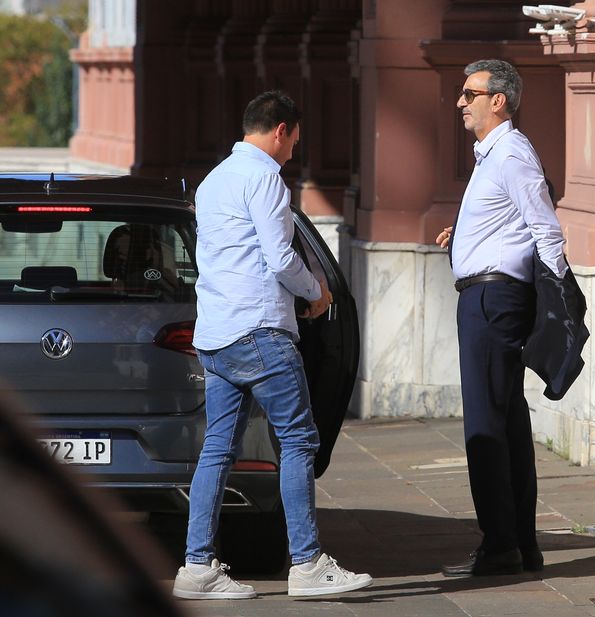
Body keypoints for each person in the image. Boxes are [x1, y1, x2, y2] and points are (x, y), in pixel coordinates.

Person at [172, 91, 372, 600]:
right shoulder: (264, 178)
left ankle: (196, 567)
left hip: (216, 334)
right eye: (294, 142)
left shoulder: (214, 180)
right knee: (299, 441)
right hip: (260, 332)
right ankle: (307, 564)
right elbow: (281, 258)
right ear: (280, 130)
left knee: (217, 449)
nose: (292, 151)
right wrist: (317, 291)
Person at [436, 60, 568, 577]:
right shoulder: (493, 155)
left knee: (487, 426)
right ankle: (519, 544)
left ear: (499, 100)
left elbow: (545, 228)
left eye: (470, 93)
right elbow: (508, 222)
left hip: (494, 303)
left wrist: (557, 301)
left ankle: (500, 546)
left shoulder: (510, 153)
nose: (460, 102)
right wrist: (464, 236)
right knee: (506, 423)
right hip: (488, 298)